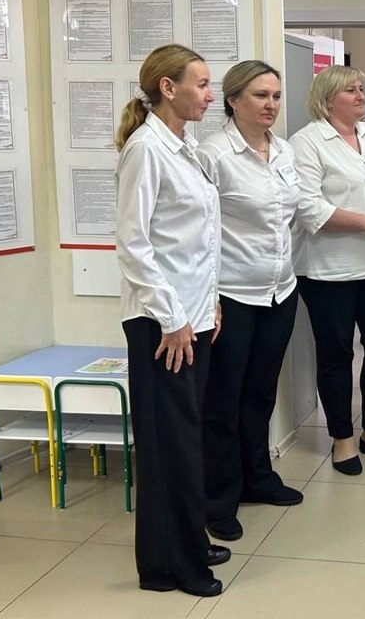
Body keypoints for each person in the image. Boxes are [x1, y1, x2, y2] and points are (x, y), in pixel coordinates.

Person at [114, 43, 228, 598]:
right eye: (201, 84)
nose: (209, 95)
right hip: (161, 325)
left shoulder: (187, 147)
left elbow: (195, 241)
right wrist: (173, 317)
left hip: (192, 316)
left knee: (187, 436)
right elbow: (133, 244)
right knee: (170, 445)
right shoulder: (146, 149)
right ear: (168, 87)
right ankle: (171, 565)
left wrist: (210, 303)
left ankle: (187, 540)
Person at [196, 60, 303, 546]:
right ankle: (219, 499)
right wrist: (209, 296)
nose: (271, 105)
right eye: (261, 95)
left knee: (260, 393)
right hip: (232, 295)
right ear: (233, 99)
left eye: (276, 96)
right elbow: (200, 232)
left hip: (280, 290)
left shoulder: (283, 150)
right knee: (223, 400)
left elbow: (289, 217)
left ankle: (257, 477)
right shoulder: (213, 155)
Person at [290, 66, 365, 475]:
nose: (362, 96)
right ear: (328, 100)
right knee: (336, 355)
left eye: (363, 89)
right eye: (351, 90)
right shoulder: (307, 143)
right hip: (329, 271)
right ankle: (342, 439)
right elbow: (308, 208)